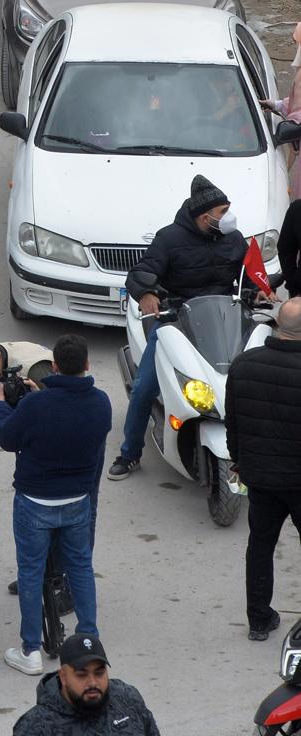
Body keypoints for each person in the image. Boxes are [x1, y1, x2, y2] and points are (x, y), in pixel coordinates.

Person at [109, 174, 249, 479]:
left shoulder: (235, 239)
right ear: (205, 216)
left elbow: (248, 276)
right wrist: (146, 293)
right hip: (177, 322)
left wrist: (261, 290)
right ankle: (129, 453)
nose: (229, 217)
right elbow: (141, 272)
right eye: (223, 212)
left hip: (224, 320)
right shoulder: (169, 239)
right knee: (145, 388)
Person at [0, 333, 111, 677]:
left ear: (54, 366)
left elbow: (7, 437)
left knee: (30, 573)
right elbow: (71, 423)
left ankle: (30, 650)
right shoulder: (101, 402)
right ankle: (89, 640)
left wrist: (1, 404)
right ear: (87, 365)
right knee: (80, 568)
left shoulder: (35, 405)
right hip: (77, 500)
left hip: (34, 503)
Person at [225, 295, 301, 640]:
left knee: (260, 545)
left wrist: (240, 461)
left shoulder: (243, 365)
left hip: (260, 477)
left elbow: (233, 425)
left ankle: (258, 619)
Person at [14, 635, 162, 736]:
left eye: (99, 673)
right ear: (63, 676)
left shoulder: (128, 698)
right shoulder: (35, 727)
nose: (92, 682)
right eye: (81, 675)